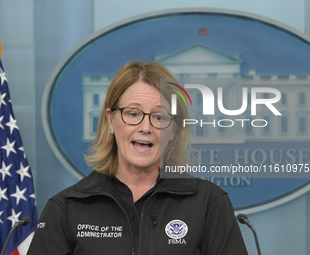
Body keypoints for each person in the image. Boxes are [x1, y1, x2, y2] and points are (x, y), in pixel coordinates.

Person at [27, 61, 248, 255]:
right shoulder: (66, 207)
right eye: (133, 113)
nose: (145, 127)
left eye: (159, 116)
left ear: (174, 129)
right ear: (110, 121)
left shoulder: (209, 203)